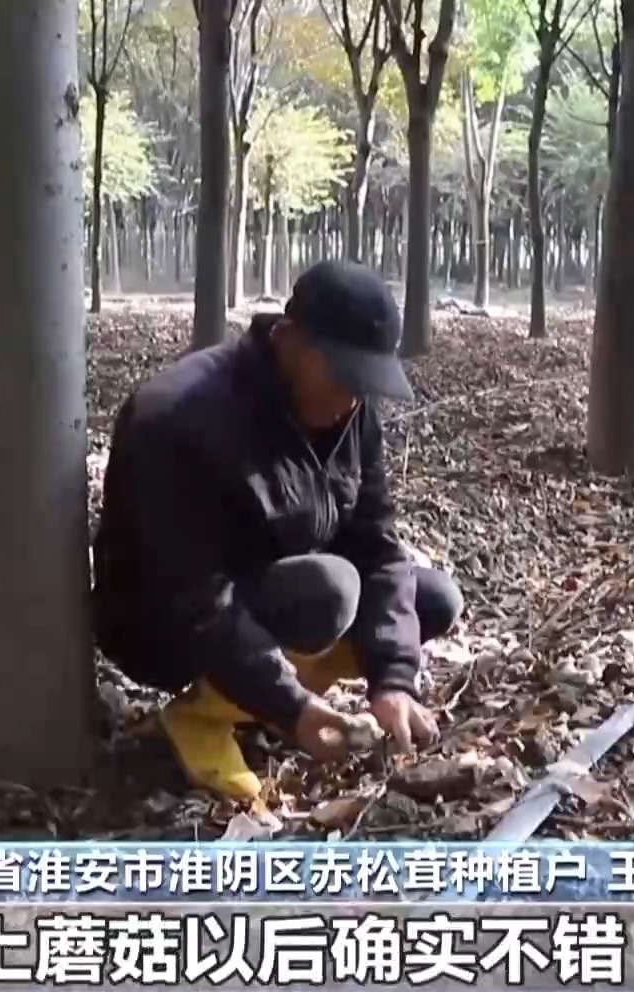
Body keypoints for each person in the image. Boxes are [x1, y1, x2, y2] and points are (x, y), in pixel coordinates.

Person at [90, 259, 465, 802]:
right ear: (287, 339)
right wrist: (291, 708)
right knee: (332, 591)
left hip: (272, 585)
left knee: (430, 600)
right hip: (162, 622)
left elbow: (379, 547)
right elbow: (194, 597)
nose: (352, 400)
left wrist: (394, 680)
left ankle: (258, 697)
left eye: (365, 383)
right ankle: (202, 715)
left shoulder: (348, 411)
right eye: (342, 376)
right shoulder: (178, 417)